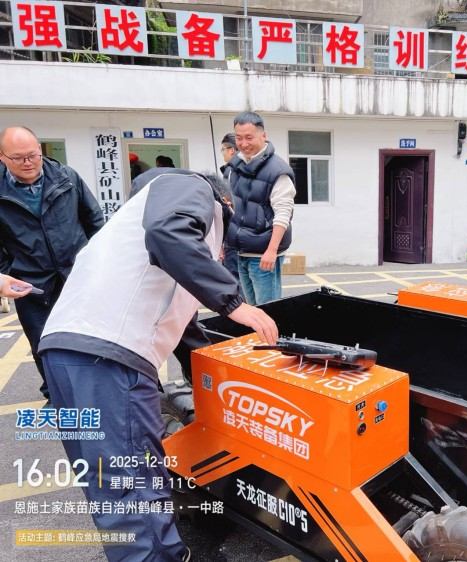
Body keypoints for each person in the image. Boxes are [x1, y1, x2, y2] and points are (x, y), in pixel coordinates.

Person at [38, 167, 279, 562]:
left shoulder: (134, 228)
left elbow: (187, 331)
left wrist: (214, 389)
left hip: (64, 353)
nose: (221, 253)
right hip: (109, 356)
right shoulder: (190, 187)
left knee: (109, 481)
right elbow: (169, 232)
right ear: (226, 204)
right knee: (131, 481)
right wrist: (234, 302)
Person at [0, 126, 104, 400]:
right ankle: (58, 396)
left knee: (90, 336)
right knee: (44, 343)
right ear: (2, 157)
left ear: (39, 149)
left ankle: (98, 391)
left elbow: (94, 221)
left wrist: (98, 263)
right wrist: (8, 273)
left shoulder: (66, 177)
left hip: (78, 275)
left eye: (32, 155)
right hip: (30, 284)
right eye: (18, 158)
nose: (28, 162)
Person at [225, 112, 295, 304]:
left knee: (268, 309)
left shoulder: (277, 171)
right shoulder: (234, 167)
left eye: (249, 137)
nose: (243, 143)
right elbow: (229, 207)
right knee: (251, 308)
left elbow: (283, 214)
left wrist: (271, 251)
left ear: (263, 136)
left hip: (263, 255)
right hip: (240, 251)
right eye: (239, 138)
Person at [218, 133, 240, 281]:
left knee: (233, 278)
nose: (223, 153)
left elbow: (229, 206)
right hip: (244, 235)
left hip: (233, 233)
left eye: (223, 150)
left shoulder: (232, 171)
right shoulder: (245, 169)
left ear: (231, 150)